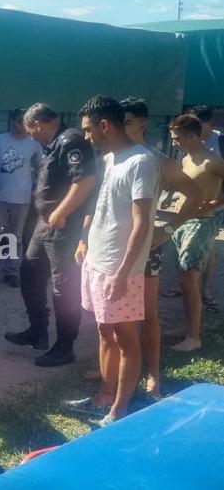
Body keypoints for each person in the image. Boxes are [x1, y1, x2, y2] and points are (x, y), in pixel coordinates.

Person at [65, 95, 159, 427]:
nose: (87, 136)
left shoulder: (140, 162)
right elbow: (101, 206)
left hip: (122, 268)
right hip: (97, 259)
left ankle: (119, 409)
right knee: (105, 332)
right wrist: (83, 240)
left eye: (89, 130)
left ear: (105, 125)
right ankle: (103, 395)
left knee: (125, 338)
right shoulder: (109, 159)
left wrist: (122, 272)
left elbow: (141, 221)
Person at [117, 97, 202, 398]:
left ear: (142, 124)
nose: (121, 128)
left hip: (145, 248)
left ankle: (153, 374)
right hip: (113, 247)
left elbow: (194, 193)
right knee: (113, 315)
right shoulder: (113, 157)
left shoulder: (157, 160)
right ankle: (114, 369)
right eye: (118, 122)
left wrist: (168, 228)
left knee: (147, 314)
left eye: (127, 122)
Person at [4, 103, 96, 367]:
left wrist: (61, 212)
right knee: (30, 272)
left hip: (63, 226)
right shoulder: (55, 142)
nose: (31, 136)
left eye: (31, 131)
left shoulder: (71, 141)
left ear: (38, 125)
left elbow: (85, 180)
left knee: (63, 288)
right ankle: (38, 332)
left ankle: (65, 346)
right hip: (46, 225)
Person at [167, 115, 224, 351]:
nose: (174, 143)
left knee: (190, 278)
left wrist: (216, 203)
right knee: (184, 279)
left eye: (177, 138)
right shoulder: (186, 159)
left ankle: (193, 337)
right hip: (181, 223)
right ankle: (187, 327)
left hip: (201, 223)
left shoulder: (212, 162)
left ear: (192, 135)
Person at [0, 108, 42, 287]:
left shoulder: (33, 143)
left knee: (16, 237)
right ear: (10, 121)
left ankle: (11, 273)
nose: (18, 124)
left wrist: (37, 187)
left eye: (22, 121)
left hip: (21, 200)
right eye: (15, 120)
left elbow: (42, 166)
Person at [187, 106, 223, 313]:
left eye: (197, 124)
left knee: (207, 248)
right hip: (191, 207)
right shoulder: (191, 142)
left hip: (214, 208)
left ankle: (206, 289)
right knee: (187, 249)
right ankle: (185, 287)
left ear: (208, 124)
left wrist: (217, 202)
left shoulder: (220, 142)